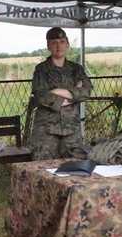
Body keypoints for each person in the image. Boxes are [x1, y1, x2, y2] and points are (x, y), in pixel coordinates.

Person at [29, 27, 92, 160]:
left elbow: (86, 91)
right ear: (48, 46)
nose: (58, 46)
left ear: (67, 44)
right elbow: (41, 96)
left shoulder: (76, 69)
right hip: (47, 130)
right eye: (54, 42)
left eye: (62, 42)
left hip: (71, 129)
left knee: (75, 167)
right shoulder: (41, 69)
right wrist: (74, 94)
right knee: (44, 168)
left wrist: (56, 91)